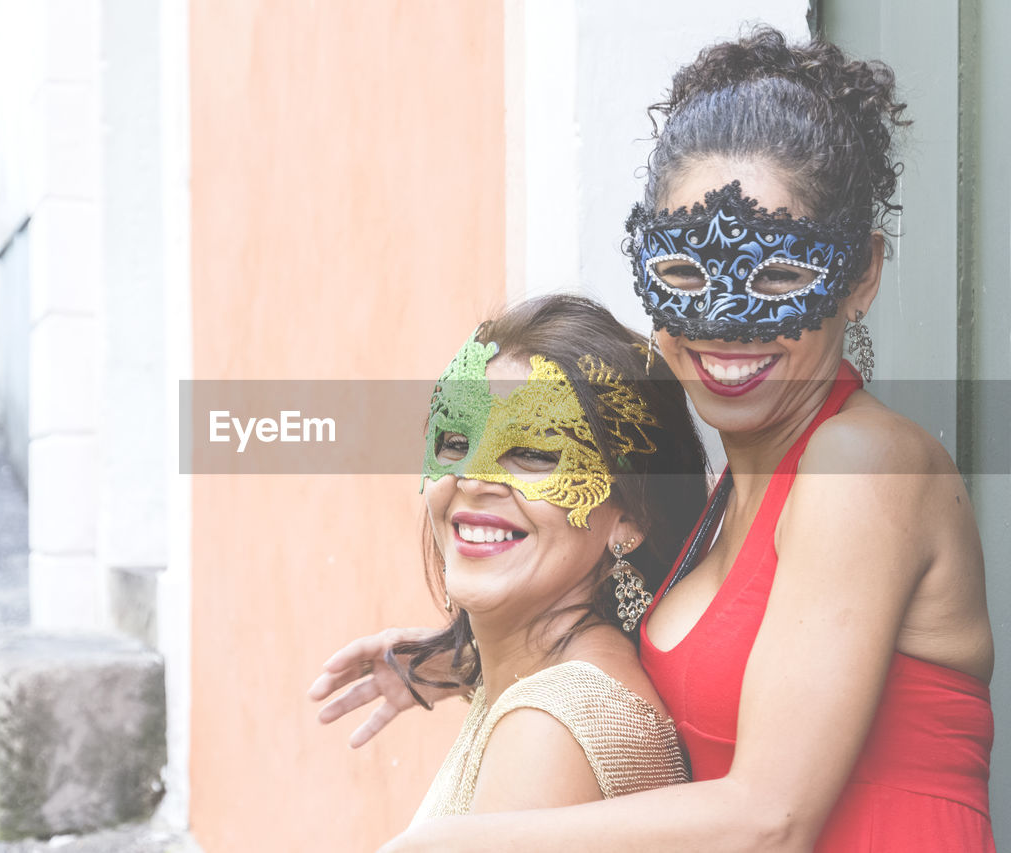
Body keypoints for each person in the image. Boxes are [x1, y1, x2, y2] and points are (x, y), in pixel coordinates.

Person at [311, 27, 995, 852]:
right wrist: (455, 661)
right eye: (685, 274)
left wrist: (449, 841)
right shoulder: (721, 508)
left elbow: (771, 817)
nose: (723, 322)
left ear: (862, 276)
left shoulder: (863, 463)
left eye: (778, 276)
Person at [314, 294, 708, 831]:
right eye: (456, 441)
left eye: (536, 453)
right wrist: (463, 662)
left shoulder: (548, 731)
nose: (472, 480)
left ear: (630, 516)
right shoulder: (550, 687)